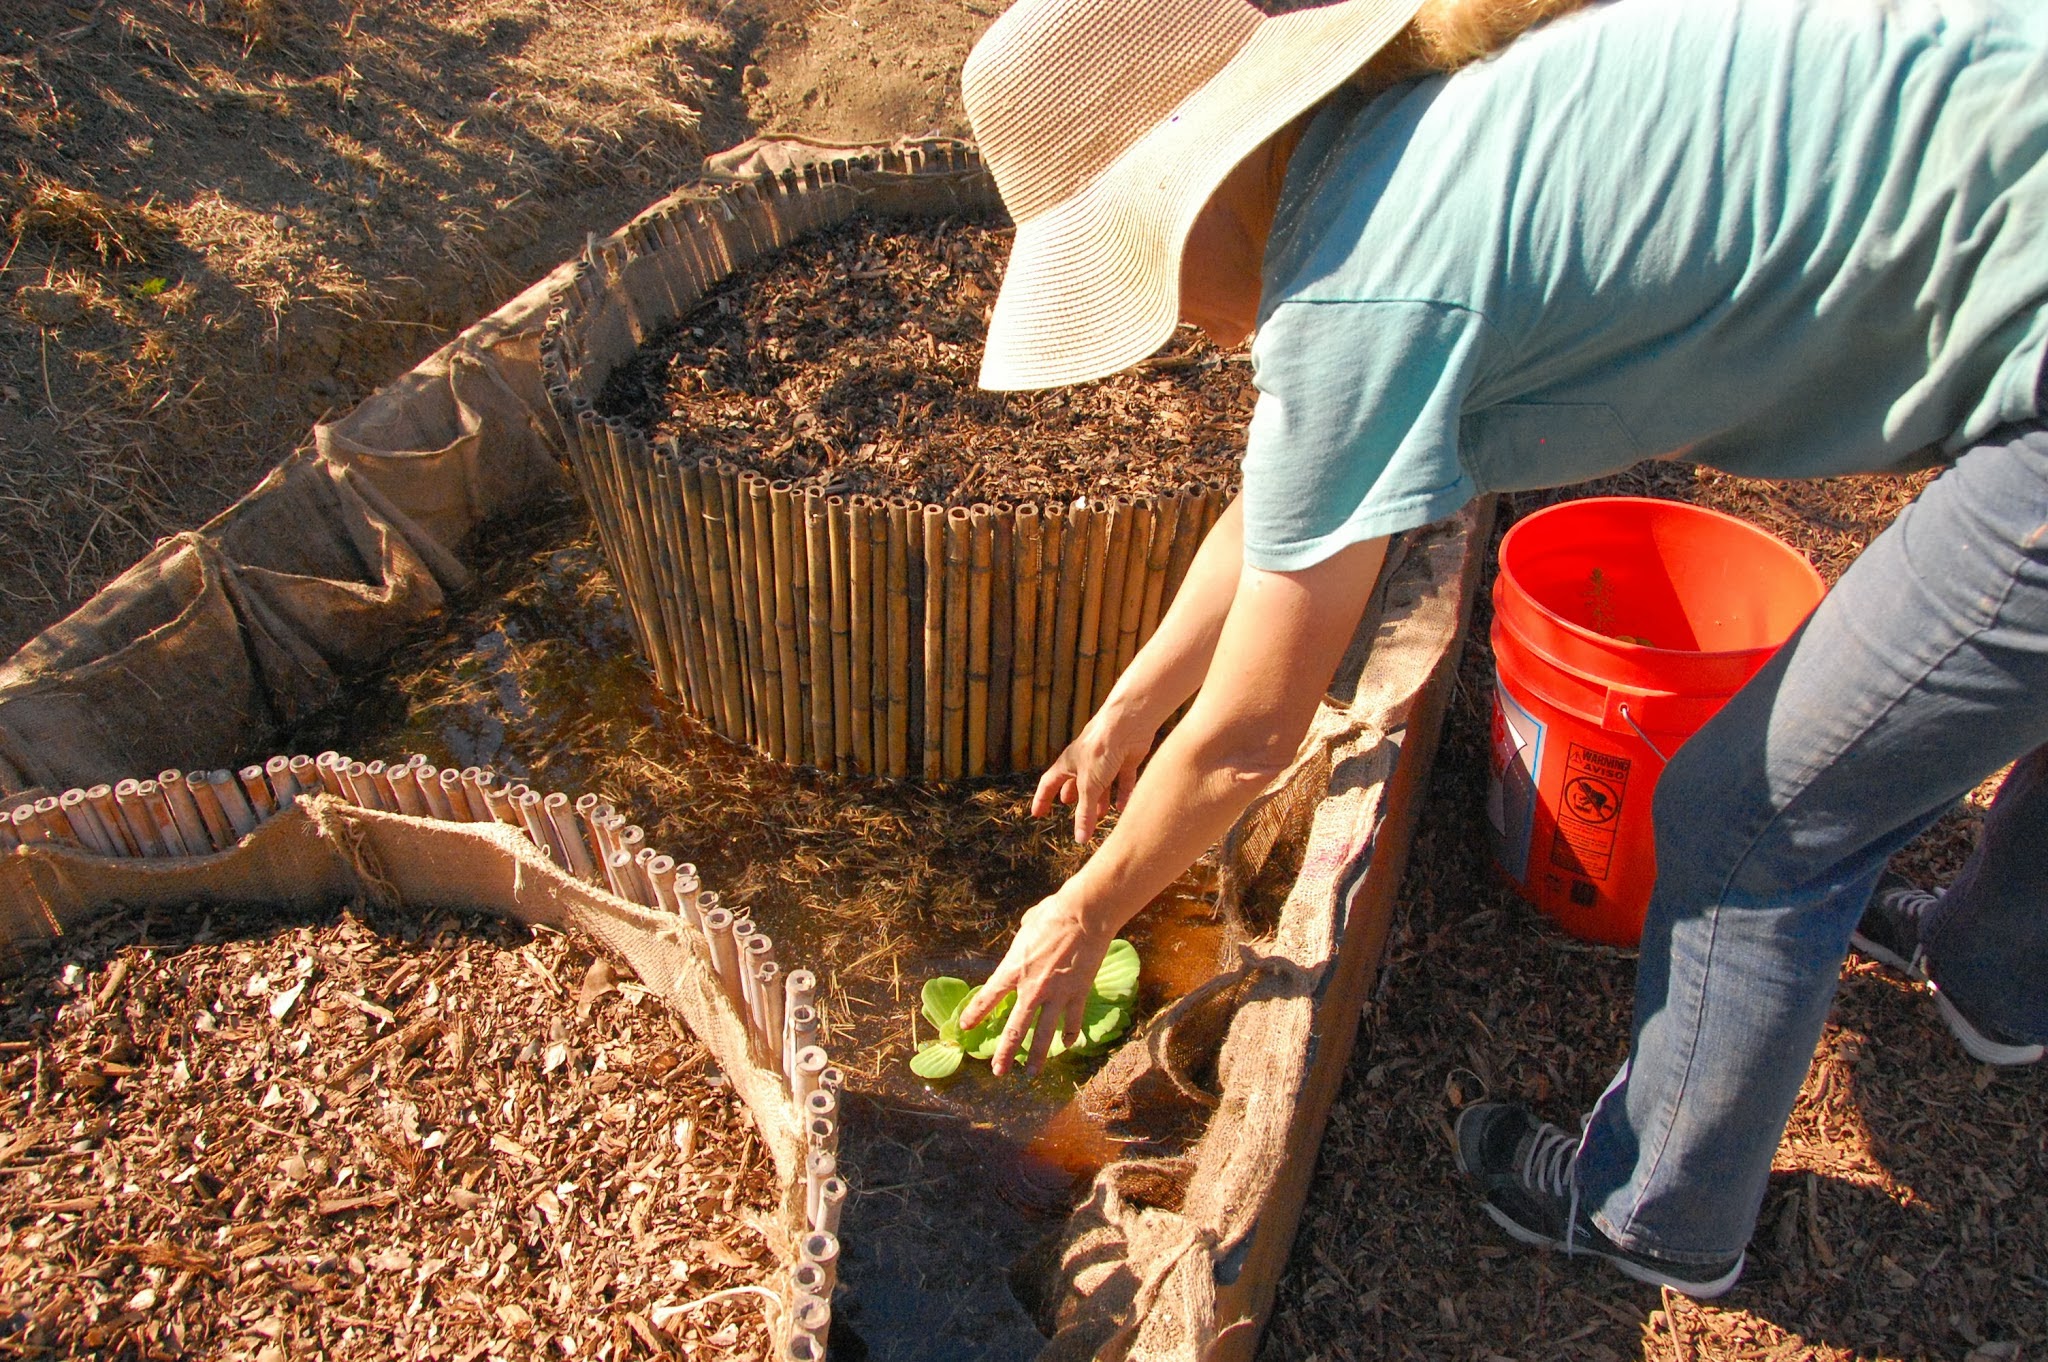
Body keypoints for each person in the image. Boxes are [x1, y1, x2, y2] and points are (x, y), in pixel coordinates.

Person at [952, 0, 2048, 1300]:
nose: (1173, 319)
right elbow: (1285, 499)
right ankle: (1999, 967)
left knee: (1748, 818)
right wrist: (1135, 698)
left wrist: (1083, 912)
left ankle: (1654, 1210)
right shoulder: (1394, 144)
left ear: (1191, 194)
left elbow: (1253, 735)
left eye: (1136, 266)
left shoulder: (1364, 289)